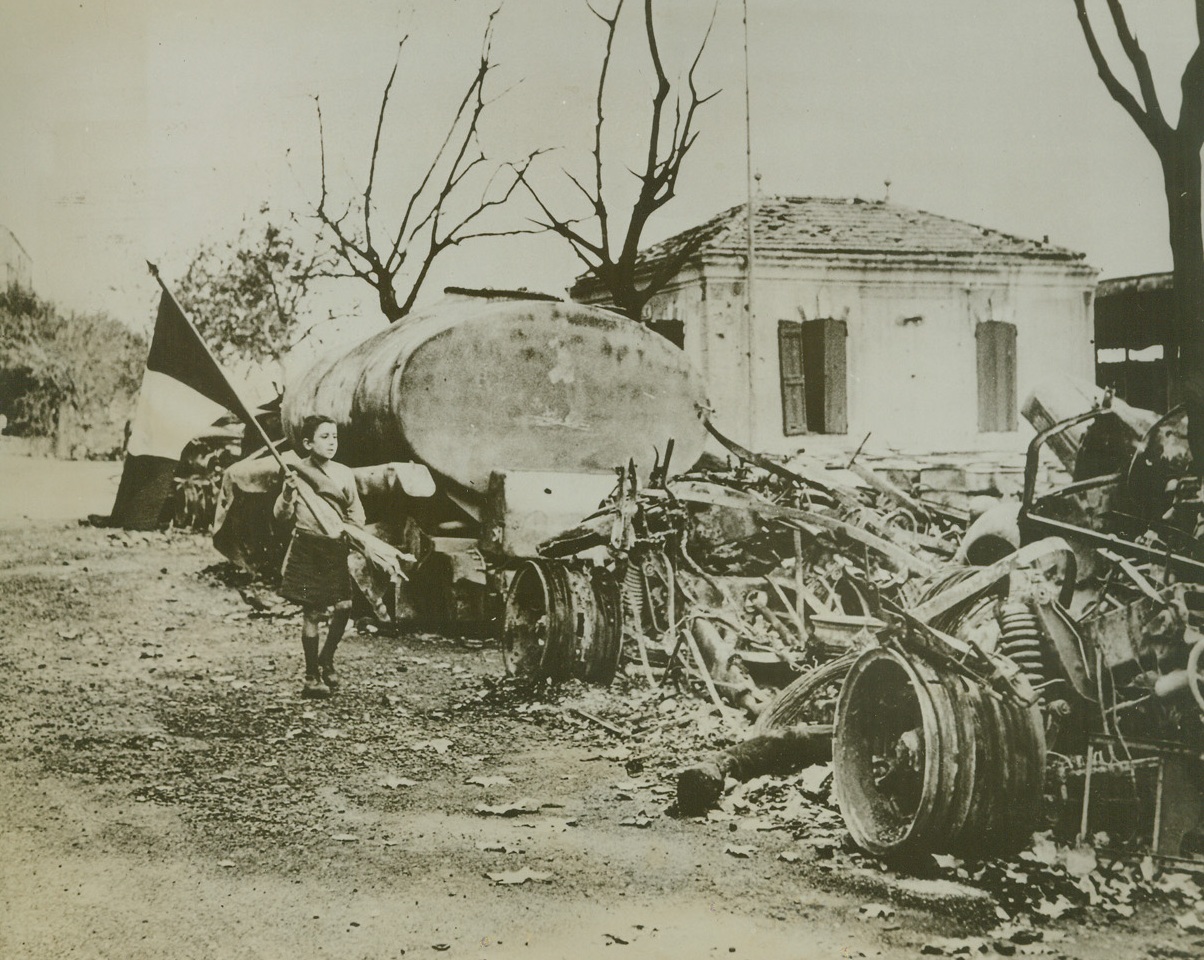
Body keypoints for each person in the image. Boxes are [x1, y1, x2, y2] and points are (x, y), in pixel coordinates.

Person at [273, 415, 365, 699]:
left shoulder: (344, 473)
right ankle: (311, 677)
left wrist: (355, 534)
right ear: (307, 443)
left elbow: (355, 511)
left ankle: (327, 658)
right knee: (312, 612)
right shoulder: (296, 473)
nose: (331, 442)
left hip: (335, 545)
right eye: (324, 437)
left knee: (345, 605)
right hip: (308, 546)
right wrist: (288, 491)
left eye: (334, 437)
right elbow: (281, 515)